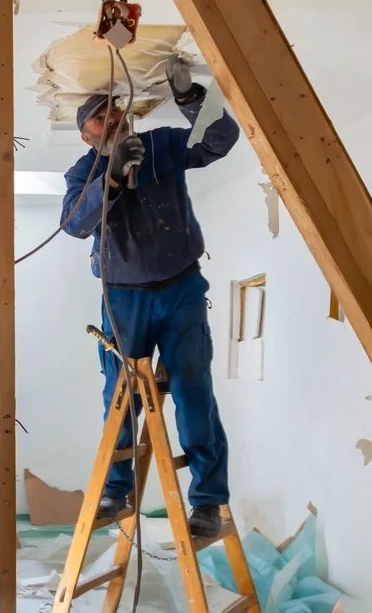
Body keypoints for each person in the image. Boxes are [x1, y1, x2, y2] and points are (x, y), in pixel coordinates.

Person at [60, 54, 240, 538]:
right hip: (123, 298)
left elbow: (218, 142)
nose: (113, 117)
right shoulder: (81, 172)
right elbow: (75, 225)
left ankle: (206, 500)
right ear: (87, 134)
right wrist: (111, 177)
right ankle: (116, 491)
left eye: (115, 108)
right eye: (100, 116)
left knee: (193, 390)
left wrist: (189, 97)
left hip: (180, 288)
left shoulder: (161, 145)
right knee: (120, 397)